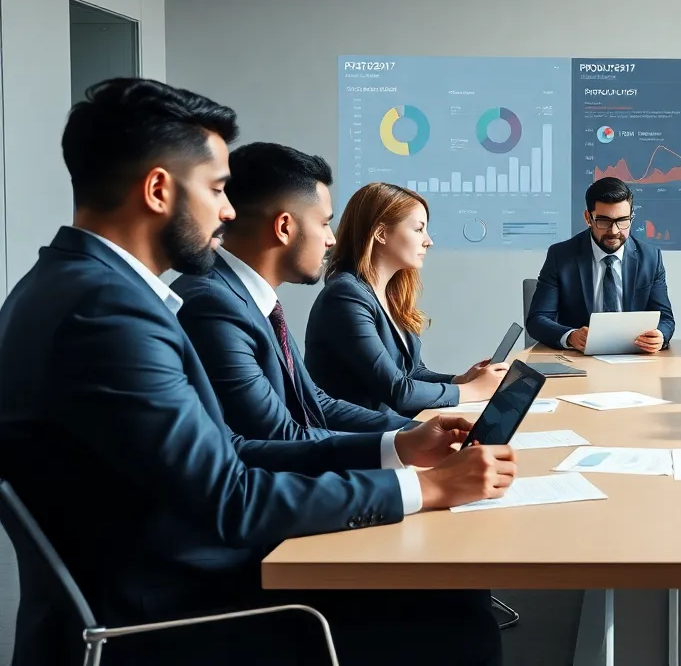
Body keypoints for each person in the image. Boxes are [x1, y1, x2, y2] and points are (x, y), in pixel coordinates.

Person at [0, 78, 515, 666]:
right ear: (158, 189)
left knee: (449, 593)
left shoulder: (75, 286)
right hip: (171, 613)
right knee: (458, 619)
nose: (226, 212)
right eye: (218, 189)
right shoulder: (107, 314)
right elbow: (232, 498)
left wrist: (396, 450)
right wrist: (425, 488)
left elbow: (234, 450)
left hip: (169, 575)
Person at [173, 142, 413, 440]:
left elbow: (314, 403)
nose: (331, 240)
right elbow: (277, 434)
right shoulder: (212, 302)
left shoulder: (251, 299)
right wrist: (399, 445)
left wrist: (414, 431)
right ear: (284, 227)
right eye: (324, 223)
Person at [305, 183, 506, 417]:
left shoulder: (389, 294)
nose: (428, 241)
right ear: (380, 233)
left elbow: (412, 373)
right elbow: (398, 392)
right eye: (419, 229)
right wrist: (472, 390)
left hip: (391, 428)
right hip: (358, 439)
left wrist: (460, 379)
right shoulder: (345, 297)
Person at [525, 177, 675, 352]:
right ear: (588, 218)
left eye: (622, 220)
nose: (614, 231)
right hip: (580, 360)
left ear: (632, 218)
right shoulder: (561, 256)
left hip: (635, 360)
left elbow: (666, 319)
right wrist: (571, 336)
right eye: (603, 221)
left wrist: (660, 335)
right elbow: (537, 319)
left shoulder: (650, 258)